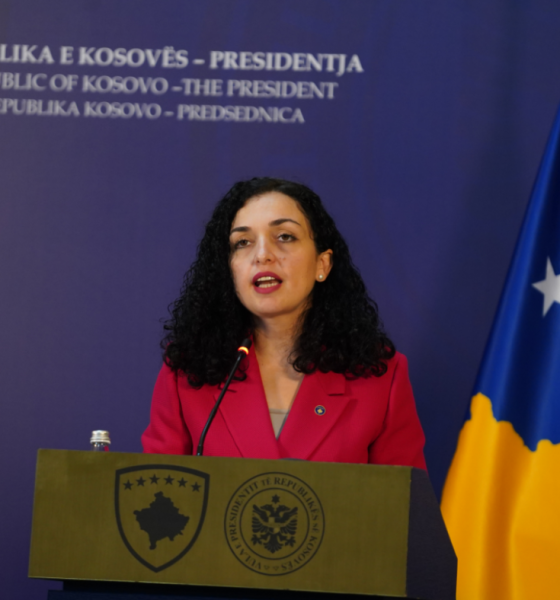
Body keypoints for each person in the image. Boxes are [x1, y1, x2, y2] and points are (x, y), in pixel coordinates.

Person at [142, 177, 426, 469]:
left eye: (285, 236)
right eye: (243, 242)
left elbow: (404, 496)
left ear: (322, 264)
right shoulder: (187, 370)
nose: (262, 255)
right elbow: (155, 488)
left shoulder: (380, 376)